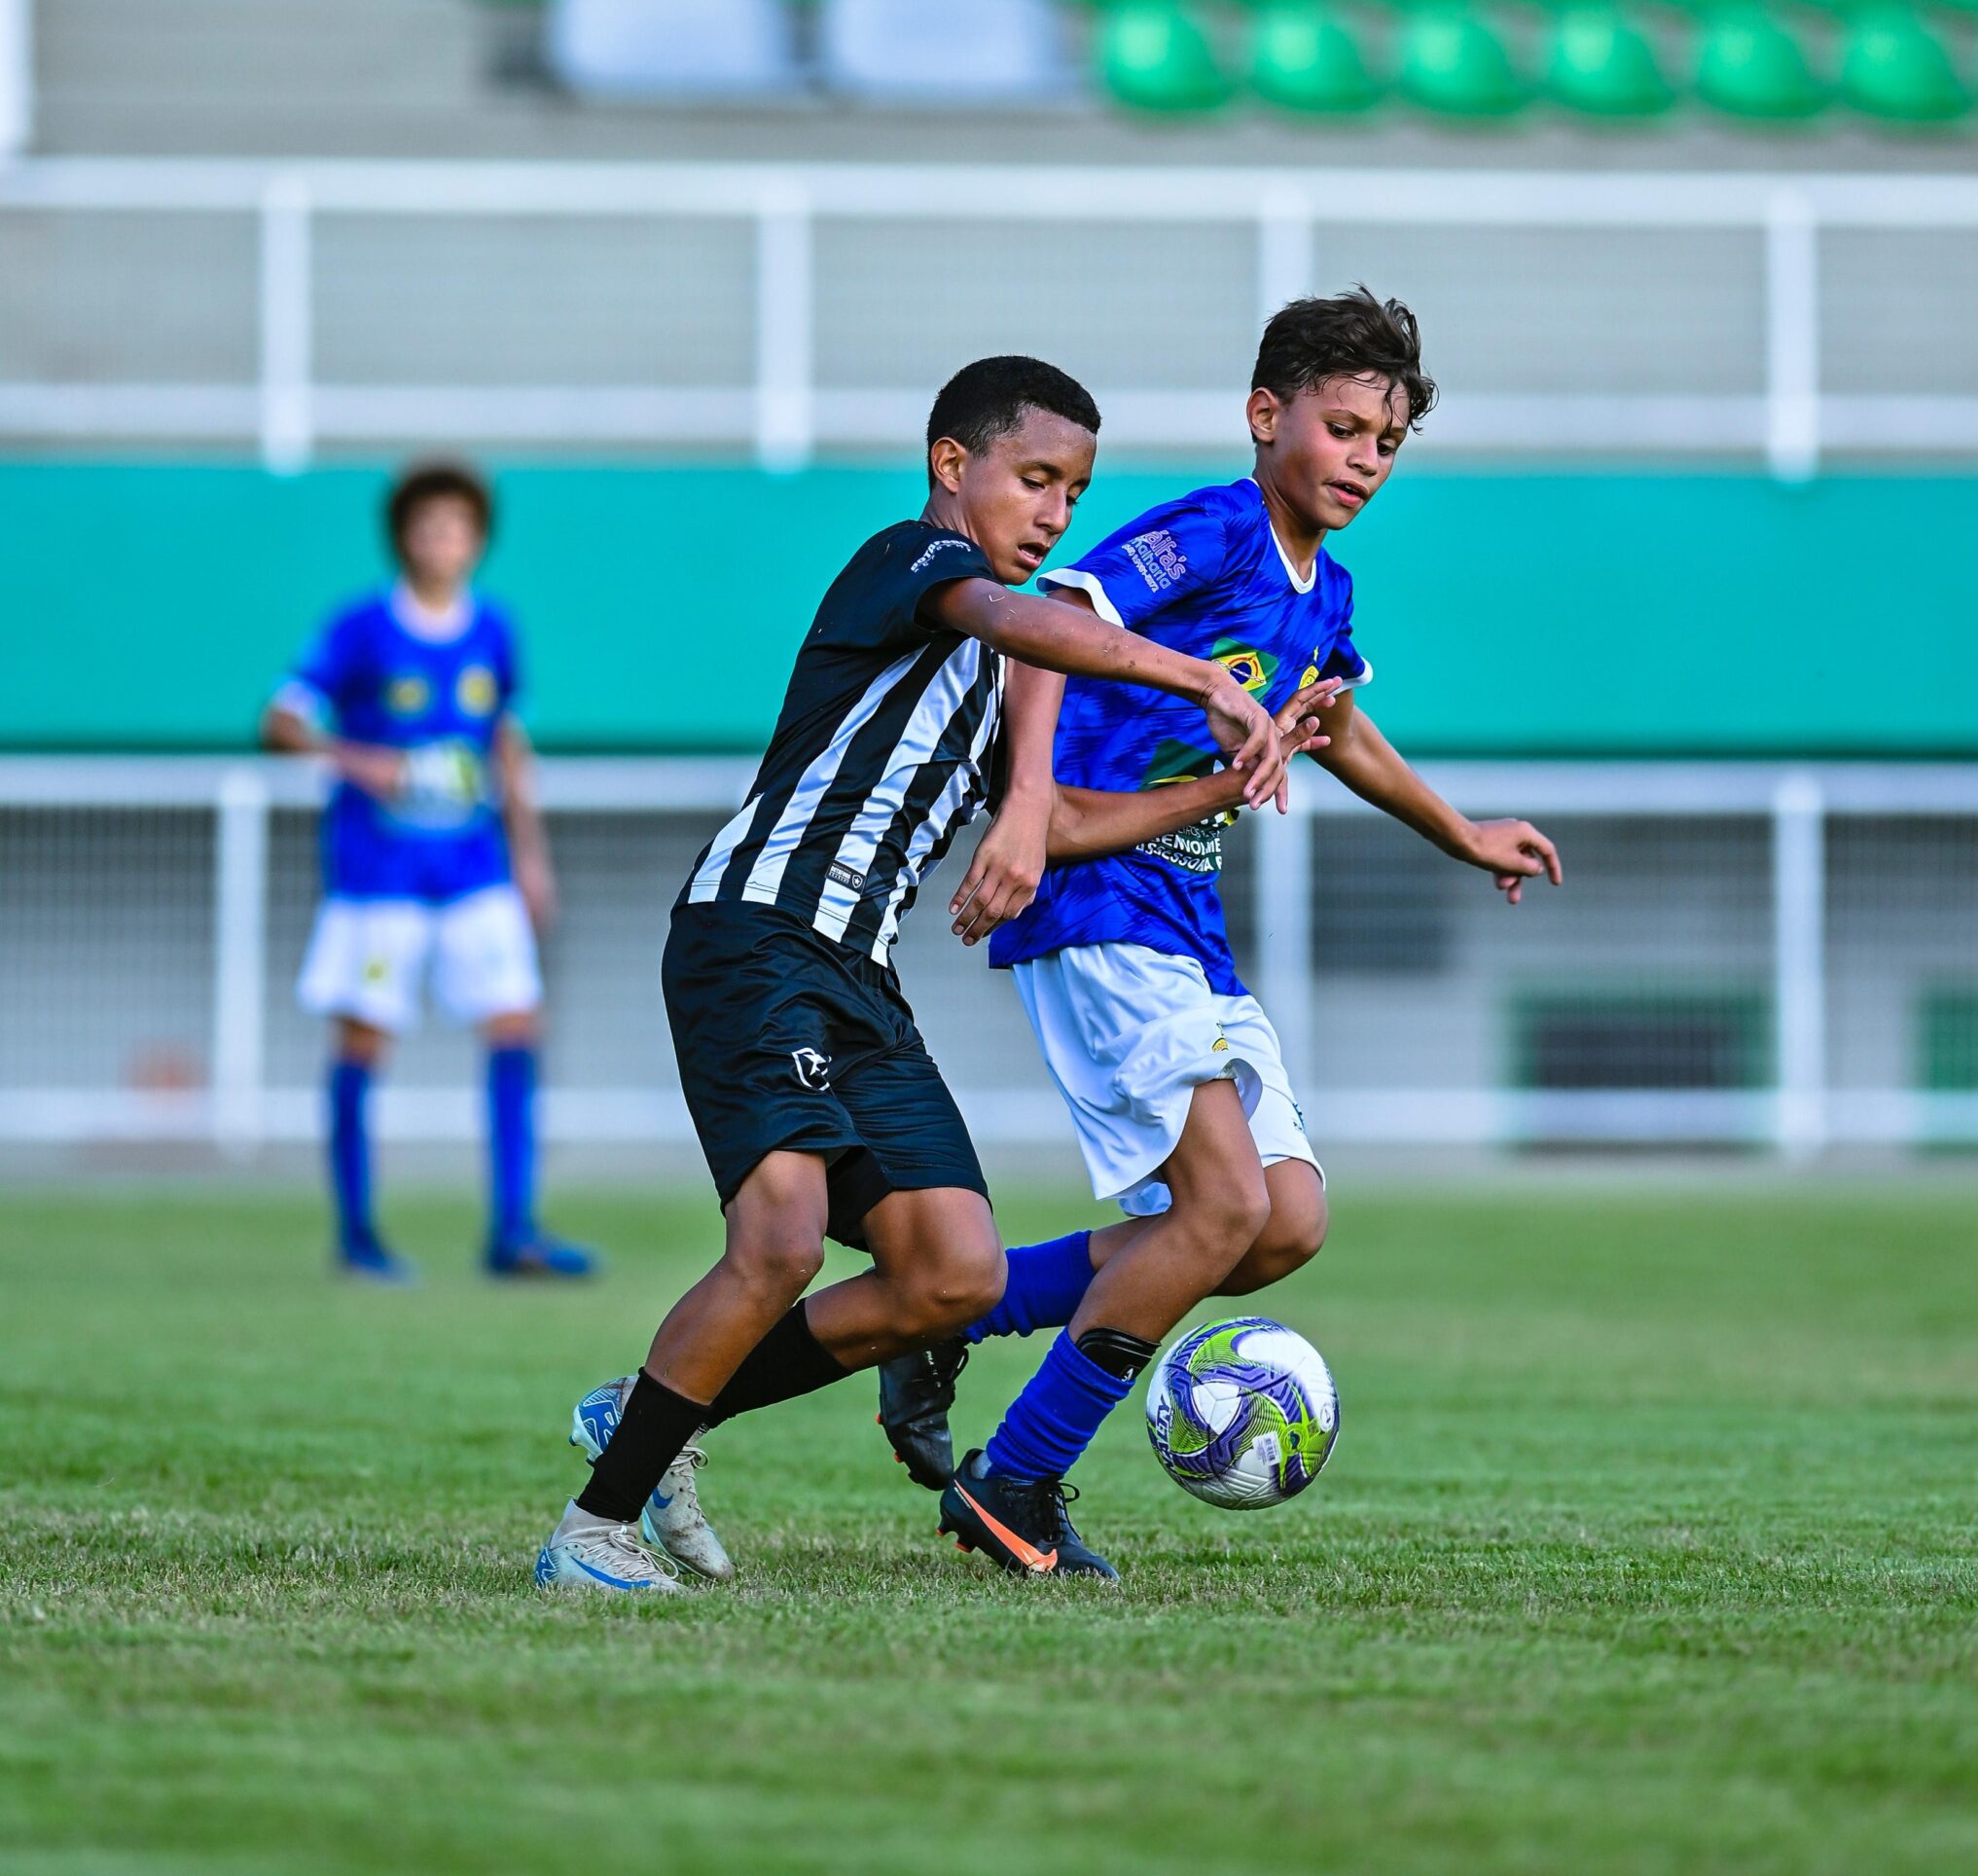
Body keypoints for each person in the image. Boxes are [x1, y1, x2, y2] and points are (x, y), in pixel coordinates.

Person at [535, 354, 1307, 1600]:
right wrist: (1196, 675)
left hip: (858, 975)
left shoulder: (1001, 667)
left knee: (952, 1276)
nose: (1056, 511)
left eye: (1075, 490)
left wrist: (1218, 787)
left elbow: (1044, 820)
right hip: (753, 937)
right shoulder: (910, 564)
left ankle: (654, 1413)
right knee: (779, 1239)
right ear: (954, 466)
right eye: (1036, 478)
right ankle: (592, 1527)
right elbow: (1025, 616)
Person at [899, 291, 1563, 1580]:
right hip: (1098, 890)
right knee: (1217, 1206)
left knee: (1281, 1223)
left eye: (1388, 441)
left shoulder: (1328, 590)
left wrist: (1462, 831)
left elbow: (1342, 730)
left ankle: (966, 1311)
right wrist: (1029, 812)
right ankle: (1015, 1483)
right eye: (1344, 426)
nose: (1366, 459)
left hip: (1184, 915)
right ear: (1269, 417)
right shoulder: (1213, 529)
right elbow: (1053, 624)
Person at [263, 458, 592, 1285]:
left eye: (458, 527)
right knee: (365, 1039)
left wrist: (531, 856)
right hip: (379, 873)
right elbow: (282, 719)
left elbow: (509, 748)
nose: (444, 541)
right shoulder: (362, 627)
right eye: (428, 526)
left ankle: (513, 1229)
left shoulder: (494, 631)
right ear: (405, 538)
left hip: (475, 868)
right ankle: (358, 1233)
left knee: (517, 1024)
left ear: (476, 540)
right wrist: (357, 758)